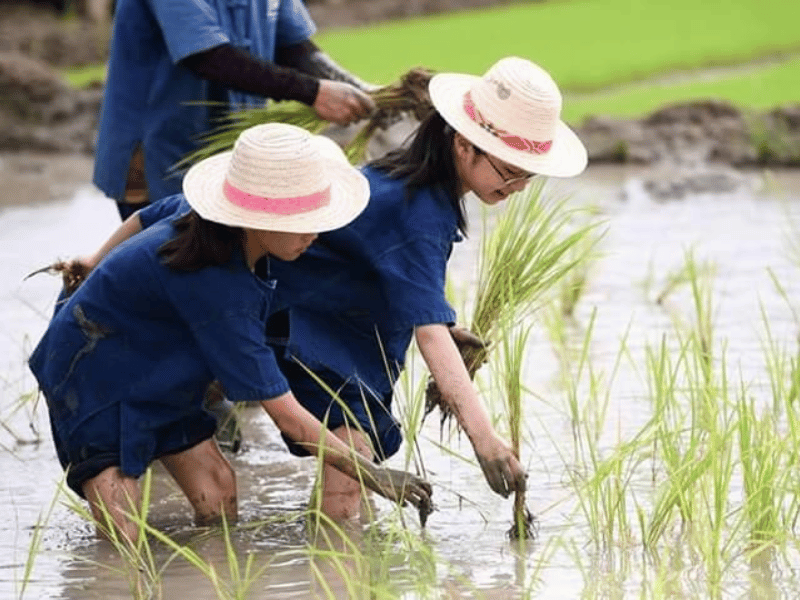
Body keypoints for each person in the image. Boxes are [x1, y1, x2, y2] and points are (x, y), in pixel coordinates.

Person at [28, 123, 432, 543]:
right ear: (259, 218)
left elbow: (142, 217)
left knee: (218, 491)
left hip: (157, 367)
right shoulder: (222, 291)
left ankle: (209, 571)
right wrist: (374, 475)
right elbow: (287, 416)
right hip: (88, 369)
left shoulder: (211, 222)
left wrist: (95, 259)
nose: (314, 234)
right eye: (303, 222)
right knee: (122, 536)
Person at [264, 56, 589, 520]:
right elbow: (428, 333)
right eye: (509, 171)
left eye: (528, 175)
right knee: (349, 473)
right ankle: (329, 561)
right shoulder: (419, 210)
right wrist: (485, 441)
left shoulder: (414, 185)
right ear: (464, 145)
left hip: (330, 327)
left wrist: (447, 328)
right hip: (297, 324)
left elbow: (387, 271)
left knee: (352, 471)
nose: (518, 186)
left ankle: (338, 560)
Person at [93, 0, 376, 221]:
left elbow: (294, 46)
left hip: (228, 150)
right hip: (161, 148)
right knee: (173, 260)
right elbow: (206, 57)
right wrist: (314, 93)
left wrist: (359, 89)